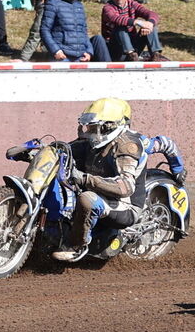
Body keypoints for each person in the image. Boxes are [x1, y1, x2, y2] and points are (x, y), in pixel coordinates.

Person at [51, 98, 186, 262]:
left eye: (95, 127)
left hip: (124, 204)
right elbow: (61, 150)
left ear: (110, 126)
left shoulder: (130, 146)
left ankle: (77, 246)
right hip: (99, 191)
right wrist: (35, 151)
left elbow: (125, 187)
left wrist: (178, 170)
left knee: (87, 200)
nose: (89, 132)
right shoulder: (91, 142)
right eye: (89, 126)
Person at [41, 0, 109, 62]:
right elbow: (44, 30)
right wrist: (56, 50)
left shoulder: (79, 5)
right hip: (62, 55)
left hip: (80, 56)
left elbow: (83, 31)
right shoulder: (52, 4)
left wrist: (89, 51)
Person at [102, 0, 168, 61]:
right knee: (120, 27)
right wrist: (137, 22)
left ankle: (155, 55)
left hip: (134, 47)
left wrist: (149, 24)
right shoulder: (107, 8)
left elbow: (152, 14)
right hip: (115, 49)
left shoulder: (132, 4)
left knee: (151, 27)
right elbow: (115, 18)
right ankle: (130, 55)